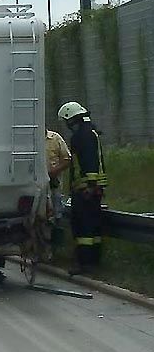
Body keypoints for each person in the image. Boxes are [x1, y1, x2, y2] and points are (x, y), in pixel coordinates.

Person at [57, 102, 108, 275]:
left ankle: (84, 263)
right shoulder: (91, 131)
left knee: (82, 226)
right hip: (94, 189)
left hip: (86, 189)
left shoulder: (81, 136)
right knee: (93, 226)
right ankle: (94, 261)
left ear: (71, 119)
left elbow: (88, 162)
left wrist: (90, 186)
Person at [46, 128, 71, 221]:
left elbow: (67, 159)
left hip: (54, 181)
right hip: (35, 183)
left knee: (56, 207)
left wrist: (55, 171)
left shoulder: (55, 138)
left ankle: (57, 228)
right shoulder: (30, 138)